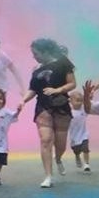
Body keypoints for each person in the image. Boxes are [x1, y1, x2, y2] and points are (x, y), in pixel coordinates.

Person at [18, 38, 76, 188]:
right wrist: (23, 100)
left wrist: (57, 90)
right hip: (43, 107)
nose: (34, 57)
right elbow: (33, 89)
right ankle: (48, 176)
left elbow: (72, 83)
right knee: (46, 140)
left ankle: (58, 158)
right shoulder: (36, 70)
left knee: (60, 144)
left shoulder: (63, 62)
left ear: (45, 51)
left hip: (61, 106)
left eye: (36, 53)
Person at [68, 91, 91, 173]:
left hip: (84, 134)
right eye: (77, 100)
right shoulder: (68, 112)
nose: (80, 103)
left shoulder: (83, 110)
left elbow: (89, 103)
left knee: (85, 149)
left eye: (81, 100)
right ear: (71, 101)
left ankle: (86, 164)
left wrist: (88, 97)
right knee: (76, 150)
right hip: (74, 136)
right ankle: (77, 156)